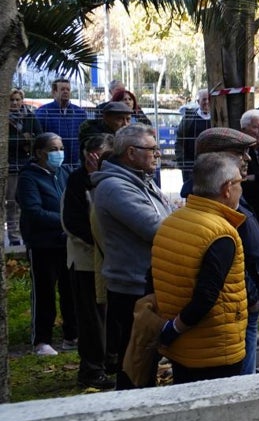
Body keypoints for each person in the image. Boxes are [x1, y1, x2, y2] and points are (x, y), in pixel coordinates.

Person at [189, 126, 259, 377]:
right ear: (216, 156)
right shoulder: (206, 197)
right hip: (234, 304)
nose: (248, 159)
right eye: (240, 153)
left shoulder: (233, 194)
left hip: (246, 299)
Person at [151, 153, 249, 384]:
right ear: (227, 188)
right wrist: (174, 329)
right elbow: (206, 296)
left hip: (182, 347)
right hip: (215, 347)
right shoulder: (221, 233)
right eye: (239, 183)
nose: (241, 189)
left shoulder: (174, 220)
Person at [91, 124, 172, 386]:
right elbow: (157, 228)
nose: (157, 155)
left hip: (147, 280)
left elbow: (169, 216)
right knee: (135, 358)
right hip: (131, 287)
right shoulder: (115, 187)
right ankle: (129, 407)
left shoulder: (142, 182)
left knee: (146, 356)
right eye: (152, 150)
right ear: (131, 153)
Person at [62, 133, 114, 388]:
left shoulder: (113, 179)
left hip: (112, 259)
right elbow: (74, 223)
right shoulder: (77, 181)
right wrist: (103, 245)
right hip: (86, 261)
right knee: (92, 318)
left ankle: (110, 359)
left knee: (111, 315)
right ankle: (92, 370)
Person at [17, 133, 76, 356]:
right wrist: (64, 220)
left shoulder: (64, 173)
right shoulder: (29, 178)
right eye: (53, 149)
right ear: (40, 153)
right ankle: (41, 340)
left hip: (66, 242)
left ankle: (72, 335)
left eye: (60, 147)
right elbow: (34, 211)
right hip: (42, 244)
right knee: (44, 293)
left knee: (70, 290)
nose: (59, 153)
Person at [7, 88, 41, 246]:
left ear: (22, 100)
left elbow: (39, 137)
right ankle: (13, 237)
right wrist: (24, 140)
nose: (15, 102)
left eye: (17, 99)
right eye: (11, 99)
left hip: (27, 165)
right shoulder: (4, 118)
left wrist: (30, 142)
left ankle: (25, 233)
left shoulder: (30, 116)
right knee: (11, 202)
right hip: (10, 166)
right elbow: (6, 142)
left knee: (27, 201)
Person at [35, 78, 88, 168]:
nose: (66, 92)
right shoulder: (43, 112)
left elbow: (85, 136)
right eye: (62, 89)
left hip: (75, 162)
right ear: (54, 92)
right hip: (53, 161)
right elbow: (38, 136)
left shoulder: (79, 112)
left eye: (68, 89)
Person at [176, 89, 212, 179]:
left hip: (212, 166)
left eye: (209, 99)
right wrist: (182, 163)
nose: (207, 102)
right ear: (198, 101)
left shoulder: (219, 118)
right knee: (191, 192)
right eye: (204, 99)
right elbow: (179, 141)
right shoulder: (188, 118)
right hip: (190, 167)